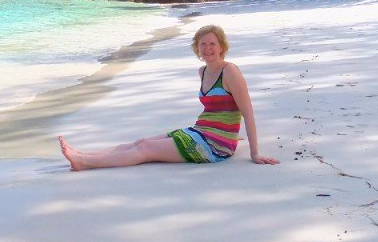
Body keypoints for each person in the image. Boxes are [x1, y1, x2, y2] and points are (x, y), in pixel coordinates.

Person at [59, 24, 280, 171]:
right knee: (141, 141)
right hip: (200, 131)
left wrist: (254, 153)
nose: (208, 48)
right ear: (197, 49)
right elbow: (219, 111)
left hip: (215, 145)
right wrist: (232, 132)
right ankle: (84, 154)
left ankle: (84, 163)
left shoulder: (230, 72)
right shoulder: (202, 72)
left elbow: (247, 113)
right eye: (202, 44)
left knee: (145, 150)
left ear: (222, 47)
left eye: (212, 44)